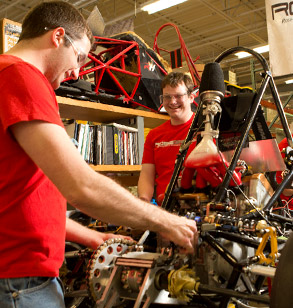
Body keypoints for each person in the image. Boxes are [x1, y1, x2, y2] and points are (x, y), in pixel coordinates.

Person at [0, 2, 197, 307]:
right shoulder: (21, 77)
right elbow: (81, 186)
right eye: (79, 56)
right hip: (19, 283)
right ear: (57, 37)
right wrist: (166, 222)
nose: (79, 71)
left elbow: (19, 196)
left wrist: (92, 237)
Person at [138, 72, 196, 204]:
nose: (172, 102)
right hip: (165, 208)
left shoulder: (206, 129)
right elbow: (147, 175)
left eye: (178, 96)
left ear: (191, 97)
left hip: (200, 206)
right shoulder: (154, 135)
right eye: (167, 97)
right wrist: (143, 203)